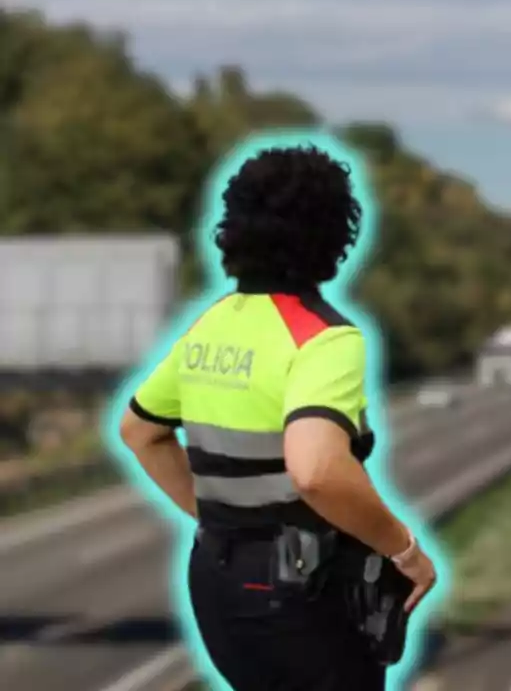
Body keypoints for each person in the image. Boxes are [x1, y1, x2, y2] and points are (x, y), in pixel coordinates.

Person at [118, 144, 438, 691]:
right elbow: (316, 470)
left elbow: (140, 431)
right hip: (303, 598)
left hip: (216, 586)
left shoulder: (211, 324)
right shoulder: (325, 338)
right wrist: (403, 549)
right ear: (336, 236)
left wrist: (221, 523)